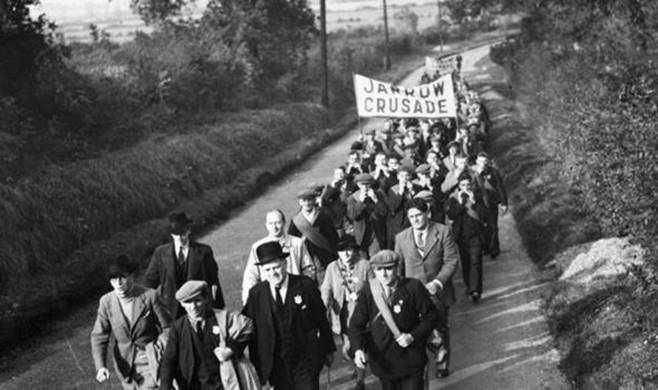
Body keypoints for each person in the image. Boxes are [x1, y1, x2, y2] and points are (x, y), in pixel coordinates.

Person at [242, 241, 336, 390]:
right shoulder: (256, 294)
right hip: (276, 365)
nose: (273, 273)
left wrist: (329, 349)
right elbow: (248, 328)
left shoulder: (305, 286)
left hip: (305, 360)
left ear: (285, 263)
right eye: (268, 269)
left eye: (276, 267)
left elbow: (321, 319)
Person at [348, 250, 438, 390]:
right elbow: (355, 324)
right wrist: (358, 349)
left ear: (398, 268)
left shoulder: (413, 287)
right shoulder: (369, 291)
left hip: (411, 359)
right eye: (379, 270)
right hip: (385, 363)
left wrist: (412, 336)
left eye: (388, 269)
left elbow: (431, 316)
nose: (383, 274)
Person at [394, 199, 459, 377]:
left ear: (427, 214)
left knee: (439, 328)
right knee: (416, 330)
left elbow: (451, 261)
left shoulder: (443, 231)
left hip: (437, 291)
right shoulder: (401, 238)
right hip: (412, 295)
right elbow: (398, 267)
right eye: (411, 217)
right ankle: (419, 367)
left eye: (418, 215)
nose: (415, 220)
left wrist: (437, 283)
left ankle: (441, 363)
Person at [92, 255, 171, 390]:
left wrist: (158, 349)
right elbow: (99, 336)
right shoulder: (106, 302)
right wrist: (101, 366)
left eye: (123, 277)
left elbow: (169, 328)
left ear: (132, 276)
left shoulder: (149, 296)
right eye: (114, 279)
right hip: (125, 367)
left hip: (151, 361)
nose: (118, 284)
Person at [161, 281, 256, 390]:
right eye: (188, 302)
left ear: (205, 299)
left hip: (221, 383)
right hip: (192, 385)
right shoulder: (178, 327)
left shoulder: (221, 318)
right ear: (182, 304)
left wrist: (231, 349)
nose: (193, 307)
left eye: (198, 301)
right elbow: (168, 360)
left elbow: (248, 326)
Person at [144, 212, 225, 318]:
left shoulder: (204, 251)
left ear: (189, 230)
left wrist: (218, 307)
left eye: (182, 233)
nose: (180, 238)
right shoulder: (160, 253)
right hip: (171, 310)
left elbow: (213, 281)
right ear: (171, 234)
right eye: (176, 235)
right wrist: (145, 306)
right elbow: (150, 282)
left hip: (198, 307)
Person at [320, 235, 370, 390]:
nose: (346, 254)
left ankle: (360, 380)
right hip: (342, 314)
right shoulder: (332, 267)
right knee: (348, 346)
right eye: (342, 251)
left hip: (361, 313)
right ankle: (356, 364)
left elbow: (373, 286)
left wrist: (361, 294)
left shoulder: (365, 265)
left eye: (349, 250)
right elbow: (326, 288)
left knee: (359, 343)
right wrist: (324, 305)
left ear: (354, 250)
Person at [242, 209, 315, 304]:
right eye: (271, 223)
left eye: (277, 223)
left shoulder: (297, 243)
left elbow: (308, 268)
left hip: (296, 293)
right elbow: (251, 275)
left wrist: (304, 288)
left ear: (284, 223)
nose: (274, 227)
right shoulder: (258, 247)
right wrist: (248, 300)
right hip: (270, 296)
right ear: (266, 225)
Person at [447, 173, 487, 303]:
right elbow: (452, 215)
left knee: (476, 261)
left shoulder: (477, 196)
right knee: (466, 262)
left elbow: (483, 214)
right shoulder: (454, 198)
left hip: (476, 234)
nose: (466, 187)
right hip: (461, 236)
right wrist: (459, 202)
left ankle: (476, 290)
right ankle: (469, 285)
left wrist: (474, 201)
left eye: (468, 184)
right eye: (463, 185)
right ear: (459, 186)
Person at [289, 187, 339, 279]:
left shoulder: (324, 217)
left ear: (315, 200)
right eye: (304, 200)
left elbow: (333, 237)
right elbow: (291, 241)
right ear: (300, 202)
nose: (307, 203)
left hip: (325, 257)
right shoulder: (296, 221)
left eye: (310, 200)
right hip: (305, 258)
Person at [472, 152, 508, 259]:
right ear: (476, 162)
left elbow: (500, 187)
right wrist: (477, 175)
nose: (483, 164)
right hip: (479, 204)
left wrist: (504, 203)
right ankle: (485, 247)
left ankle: (494, 250)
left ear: (487, 162)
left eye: (485, 161)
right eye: (480, 161)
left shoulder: (493, 172)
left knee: (493, 227)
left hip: (491, 204)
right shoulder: (473, 173)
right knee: (481, 227)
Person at [346, 173, 389, 258]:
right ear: (358, 185)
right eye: (362, 185)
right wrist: (360, 202)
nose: (365, 187)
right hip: (361, 235)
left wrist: (376, 200)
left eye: (367, 184)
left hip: (375, 233)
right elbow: (352, 215)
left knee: (376, 258)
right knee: (363, 260)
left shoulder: (378, 194)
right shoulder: (353, 198)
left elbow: (384, 212)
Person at [385, 167, 421, 248]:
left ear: (410, 176)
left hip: (413, 221)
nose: (404, 178)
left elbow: (420, 204)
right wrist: (400, 192)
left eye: (407, 176)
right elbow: (393, 207)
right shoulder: (393, 190)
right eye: (402, 176)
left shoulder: (417, 187)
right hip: (399, 223)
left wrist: (412, 192)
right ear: (398, 177)